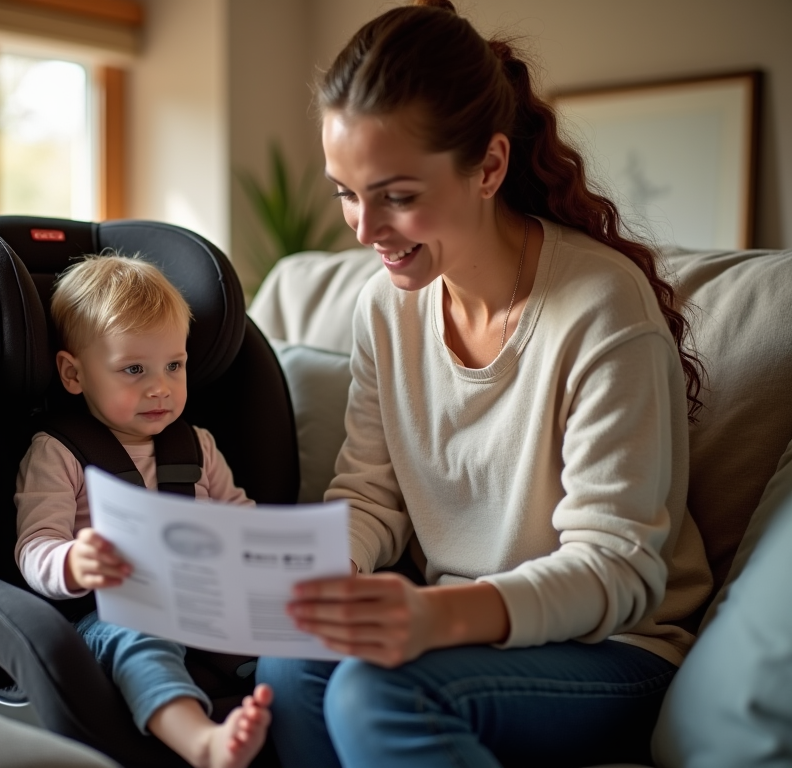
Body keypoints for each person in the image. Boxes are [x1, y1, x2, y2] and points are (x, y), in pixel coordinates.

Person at [254, 2, 713, 767]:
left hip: (612, 650)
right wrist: (318, 580)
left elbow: (618, 569)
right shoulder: (384, 306)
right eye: (345, 191)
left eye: (397, 195)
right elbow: (370, 495)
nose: (363, 230)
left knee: (376, 693)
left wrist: (436, 617)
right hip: (459, 635)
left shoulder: (602, 309)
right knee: (288, 665)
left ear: (489, 168)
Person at [15, 255, 272, 768]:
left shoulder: (197, 445)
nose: (160, 387)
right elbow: (33, 547)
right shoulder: (58, 452)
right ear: (73, 373)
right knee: (140, 642)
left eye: (173, 366)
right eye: (134, 369)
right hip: (111, 611)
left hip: (205, 600)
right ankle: (200, 740)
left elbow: (241, 516)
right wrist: (73, 562)